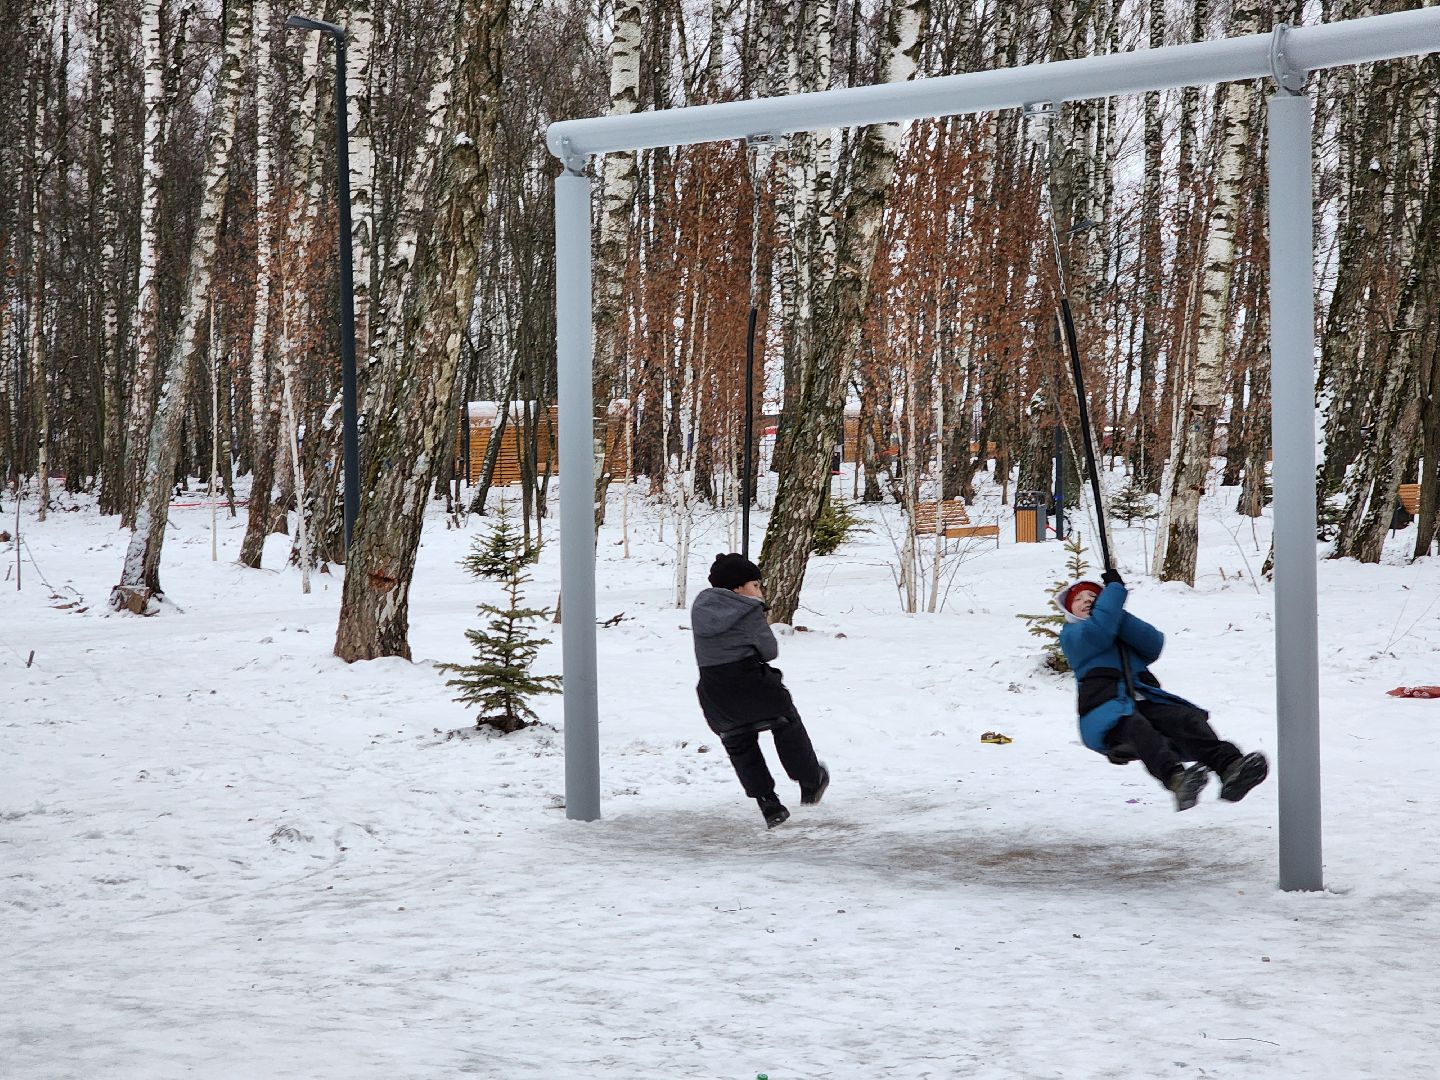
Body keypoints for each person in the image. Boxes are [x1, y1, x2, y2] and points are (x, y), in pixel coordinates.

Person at [1055, 569, 1268, 812]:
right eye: (1079, 599)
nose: (1087, 602)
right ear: (1068, 609)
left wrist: (1116, 612)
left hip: (1141, 700)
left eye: (1094, 598)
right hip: (1105, 709)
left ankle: (1230, 767)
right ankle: (1177, 780)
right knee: (1138, 728)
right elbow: (1098, 632)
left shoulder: (1111, 628)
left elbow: (1152, 644)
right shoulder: (1073, 635)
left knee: (1186, 719)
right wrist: (1113, 593)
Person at [691, 553, 830, 828]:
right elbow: (770, 651)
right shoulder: (749, 610)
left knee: (739, 744)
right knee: (787, 723)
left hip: (716, 694)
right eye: (756, 585)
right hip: (755, 686)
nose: (760, 591)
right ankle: (810, 779)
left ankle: (768, 803)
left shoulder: (700, 610)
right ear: (737, 588)